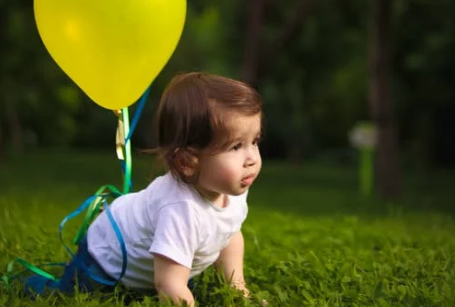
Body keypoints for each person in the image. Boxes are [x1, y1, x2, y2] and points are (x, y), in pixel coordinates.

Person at [25, 72, 263, 306]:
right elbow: (169, 285)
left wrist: (237, 288)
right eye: (235, 146)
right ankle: (31, 285)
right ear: (187, 162)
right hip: (106, 255)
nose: (251, 157)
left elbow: (229, 233)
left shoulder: (232, 191)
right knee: (66, 295)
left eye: (254, 141)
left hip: (147, 263)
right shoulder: (181, 209)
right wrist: (176, 288)